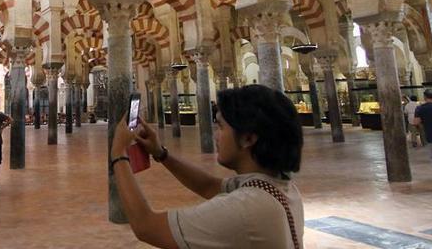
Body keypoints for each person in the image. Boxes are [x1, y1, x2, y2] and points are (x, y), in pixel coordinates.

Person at [110, 85, 304, 249]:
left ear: (248, 138)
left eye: (221, 127)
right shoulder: (278, 188)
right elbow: (208, 186)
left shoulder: (247, 209)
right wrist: (161, 153)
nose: (215, 135)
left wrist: (118, 153)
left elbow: (146, 227)